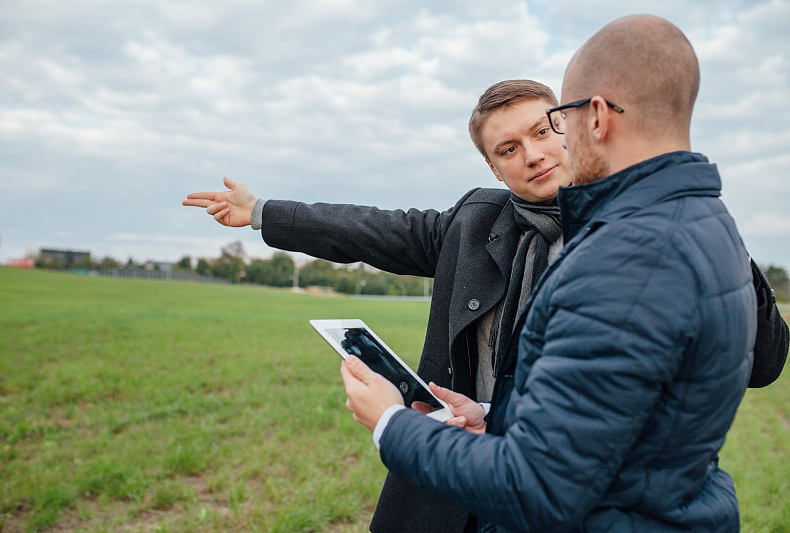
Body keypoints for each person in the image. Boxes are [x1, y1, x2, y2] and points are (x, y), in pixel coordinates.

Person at [183, 78, 788, 531]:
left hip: (573, 491)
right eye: (507, 149)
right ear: (494, 168)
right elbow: (371, 228)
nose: (531, 154)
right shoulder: (475, 222)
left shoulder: (643, 235)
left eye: (543, 131)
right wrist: (262, 213)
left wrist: (703, 221)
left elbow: (761, 361)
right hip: (457, 469)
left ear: (574, 127)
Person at [339, 15, 774, 532]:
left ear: (594, 117)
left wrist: (391, 422)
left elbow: (536, 488)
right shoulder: (703, 217)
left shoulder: (622, 259)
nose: (542, 149)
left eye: (555, 121)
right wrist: (492, 418)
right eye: (508, 148)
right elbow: (615, 423)